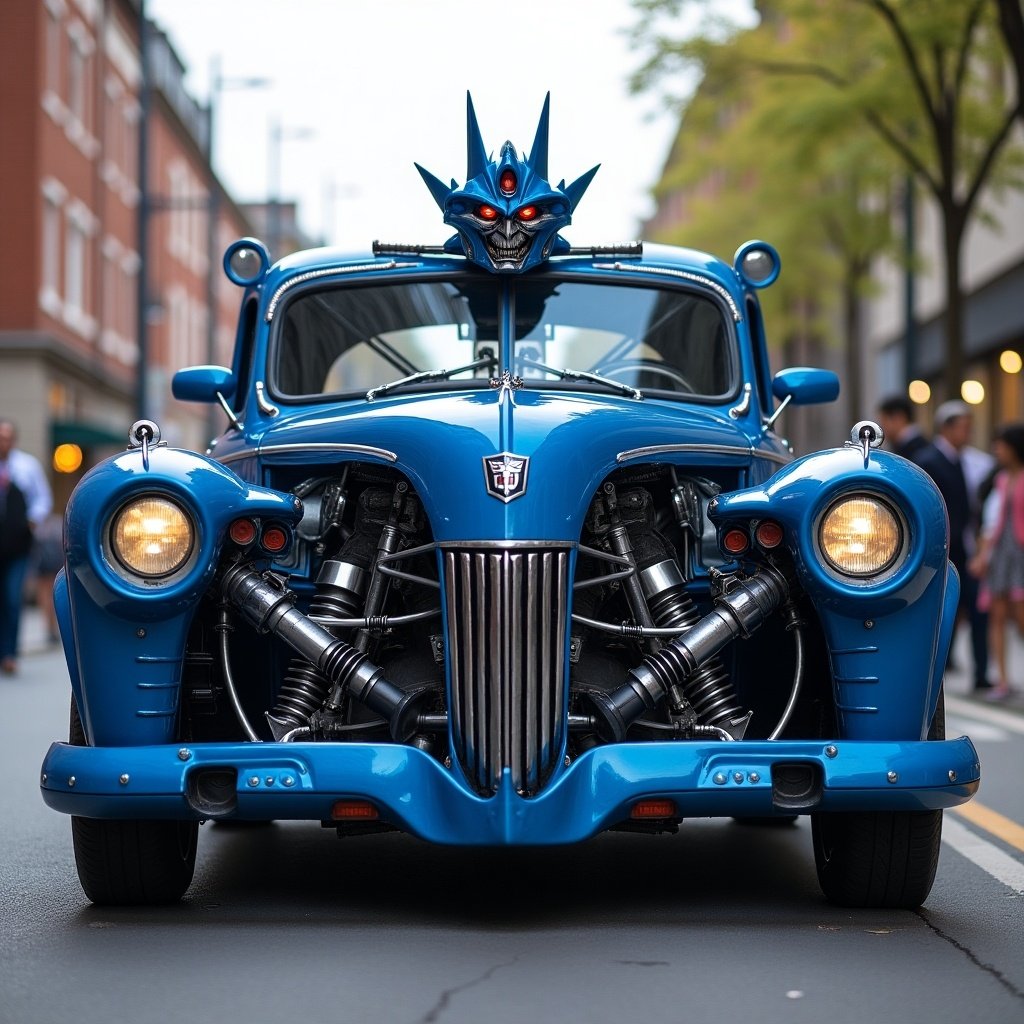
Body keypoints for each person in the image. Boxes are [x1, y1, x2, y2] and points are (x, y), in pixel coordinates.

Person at [913, 400, 991, 692]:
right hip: (942, 548)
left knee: (976, 608)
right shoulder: (928, 459)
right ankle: (939, 674)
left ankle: (981, 672)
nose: (967, 433)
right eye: (963, 428)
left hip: (965, 547)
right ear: (946, 428)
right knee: (944, 609)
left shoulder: (968, 460)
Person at [969, 423, 1024, 700]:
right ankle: (1003, 679)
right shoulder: (1000, 479)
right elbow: (992, 522)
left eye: (1001, 445)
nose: (997, 451)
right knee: (998, 616)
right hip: (1002, 552)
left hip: (1020, 552)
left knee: (1019, 613)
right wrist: (982, 555)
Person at [0, 418, 54, 675]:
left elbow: (43, 498)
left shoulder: (26, 467)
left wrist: (32, 521)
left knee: (12, 598)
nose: (3, 442)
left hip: (17, 545)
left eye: (7, 437)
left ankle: (10, 653)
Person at [877, 394, 930, 461]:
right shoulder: (915, 446)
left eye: (884, 421)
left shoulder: (915, 451)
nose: (881, 427)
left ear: (898, 417)